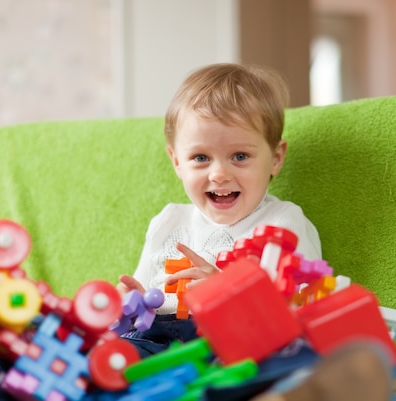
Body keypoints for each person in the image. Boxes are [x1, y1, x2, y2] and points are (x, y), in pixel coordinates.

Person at [116, 63, 322, 357]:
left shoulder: (282, 222)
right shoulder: (169, 220)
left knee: (286, 363)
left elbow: (298, 309)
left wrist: (226, 294)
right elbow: (144, 292)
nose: (219, 174)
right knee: (107, 354)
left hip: (228, 343)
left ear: (275, 158)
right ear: (177, 162)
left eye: (240, 156)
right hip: (156, 339)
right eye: (200, 157)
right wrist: (132, 300)